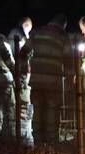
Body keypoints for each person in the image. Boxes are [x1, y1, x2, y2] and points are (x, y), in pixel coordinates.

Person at [28, 14, 71, 145]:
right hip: (53, 82)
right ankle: (51, 144)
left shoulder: (36, 32)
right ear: (63, 25)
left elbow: (23, 51)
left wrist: (27, 68)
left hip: (36, 80)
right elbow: (69, 60)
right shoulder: (63, 36)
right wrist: (70, 79)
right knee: (52, 111)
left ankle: (38, 142)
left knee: (37, 111)